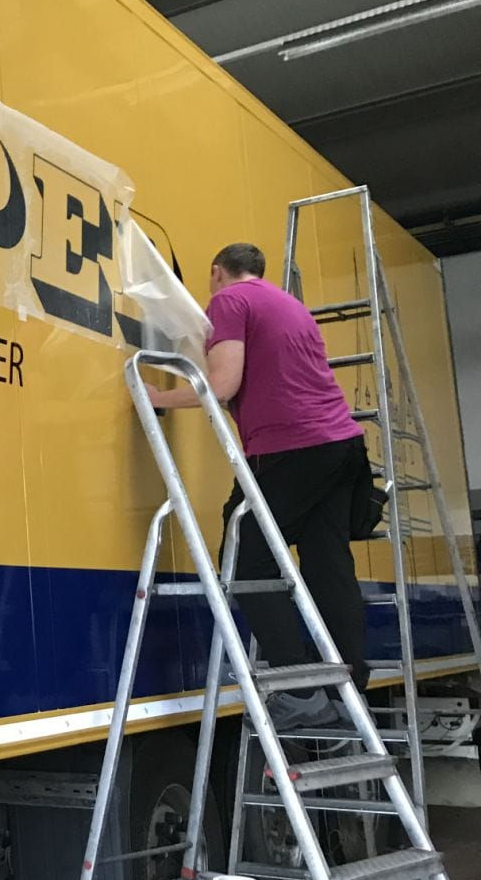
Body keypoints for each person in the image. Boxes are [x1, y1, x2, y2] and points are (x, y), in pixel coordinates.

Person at [146, 242, 369, 728]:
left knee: (246, 554)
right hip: (340, 445)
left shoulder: (229, 300)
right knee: (328, 563)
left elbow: (222, 385)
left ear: (216, 271)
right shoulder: (288, 305)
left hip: (291, 448)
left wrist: (158, 396)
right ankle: (348, 687)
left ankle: (299, 692)